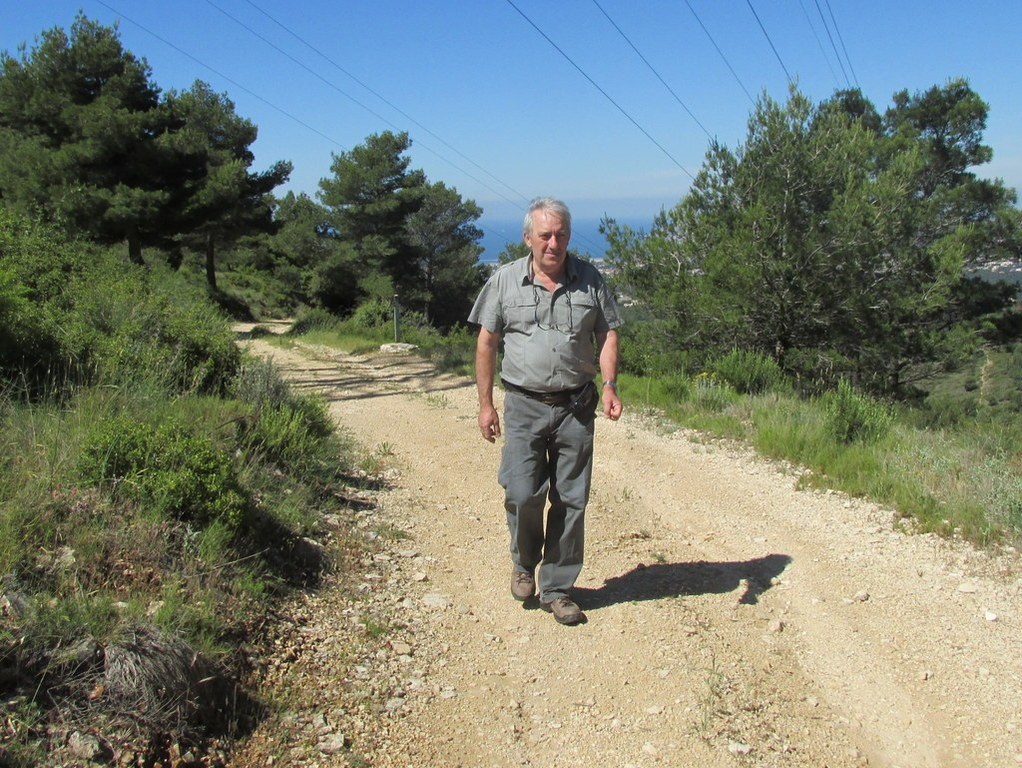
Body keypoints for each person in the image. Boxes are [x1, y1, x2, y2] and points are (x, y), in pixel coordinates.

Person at [469, 197, 623, 625]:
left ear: (568, 237)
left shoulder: (591, 280)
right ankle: (523, 563)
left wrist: (609, 386)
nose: (553, 243)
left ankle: (557, 588)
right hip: (523, 405)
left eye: (561, 235)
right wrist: (485, 405)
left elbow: (608, 332)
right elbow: (486, 342)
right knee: (522, 494)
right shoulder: (503, 281)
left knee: (571, 500)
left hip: (576, 406)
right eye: (545, 235)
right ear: (528, 238)